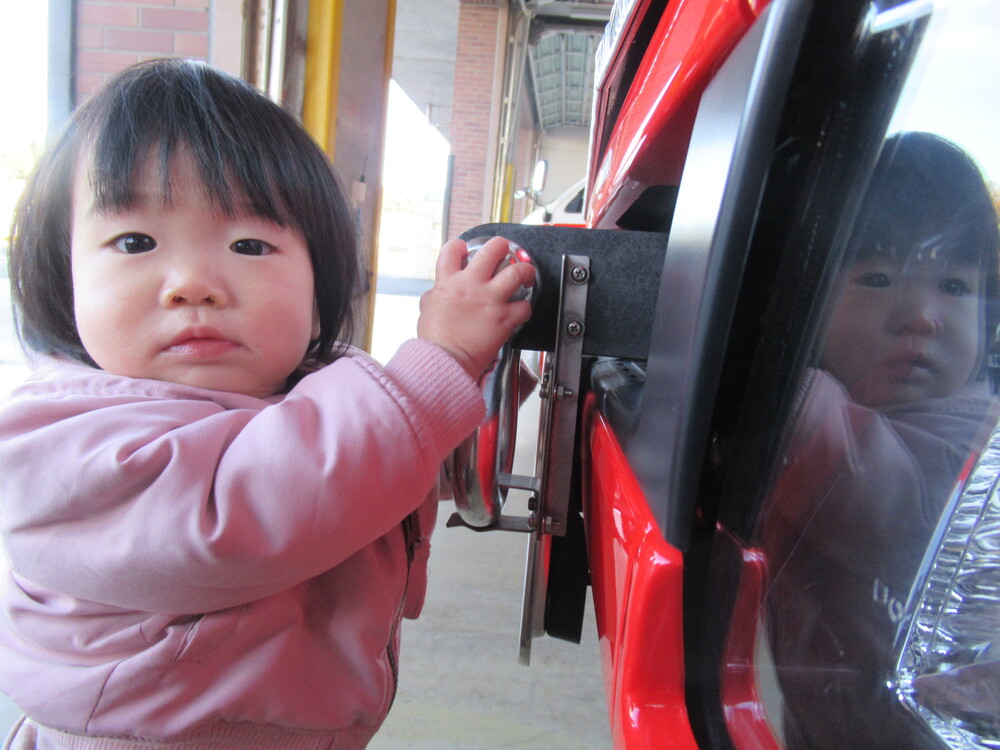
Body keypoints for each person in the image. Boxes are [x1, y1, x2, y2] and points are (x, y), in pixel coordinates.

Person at [0, 59, 534, 749]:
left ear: (320, 281)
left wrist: (483, 391)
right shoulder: (57, 446)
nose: (194, 283)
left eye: (250, 244)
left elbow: (372, 478)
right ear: (60, 274)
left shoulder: (291, 398)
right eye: (136, 242)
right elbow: (261, 505)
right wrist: (439, 369)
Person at [758, 131, 1000, 748]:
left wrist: (759, 358)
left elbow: (858, 487)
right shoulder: (858, 409)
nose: (922, 314)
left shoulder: (970, 441)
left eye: (954, 286)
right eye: (879, 278)